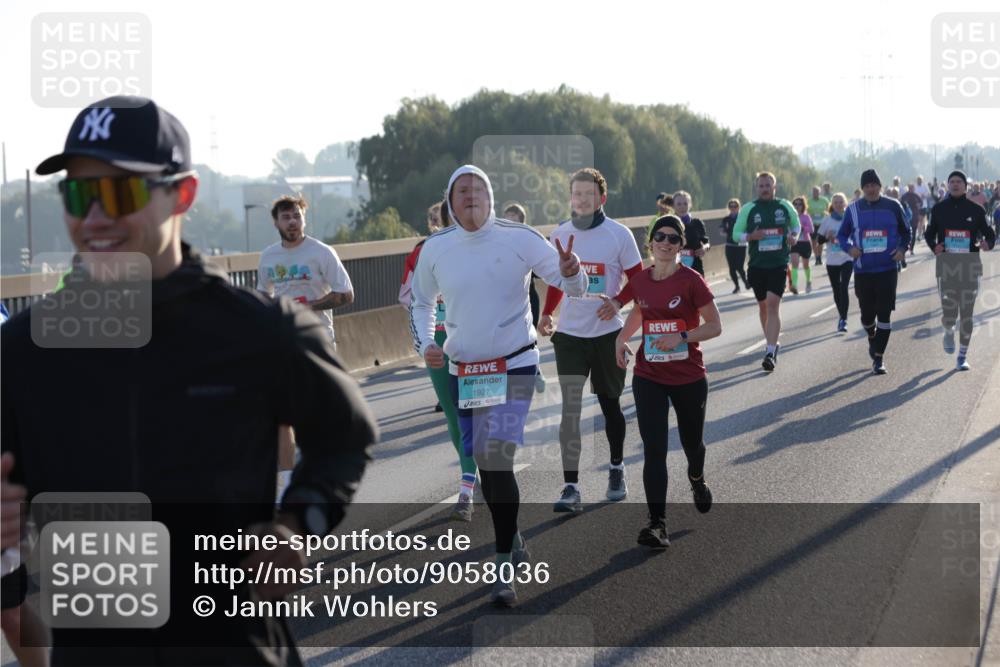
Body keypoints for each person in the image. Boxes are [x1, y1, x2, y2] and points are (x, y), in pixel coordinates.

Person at [0, 96, 378, 666]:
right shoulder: (23, 350)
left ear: (183, 195)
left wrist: (299, 524)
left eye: (120, 193)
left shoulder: (261, 331)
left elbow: (345, 436)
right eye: (79, 194)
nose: (95, 217)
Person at [409, 164, 587, 606]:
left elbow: (575, 286)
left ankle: (503, 564)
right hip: (465, 372)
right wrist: (428, 344)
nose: (471, 196)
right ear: (450, 202)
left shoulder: (519, 237)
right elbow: (420, 303)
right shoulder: (436, 248)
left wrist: (571, 271)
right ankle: (513, 538)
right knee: (487, 469)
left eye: (478, 189)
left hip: (514, 363)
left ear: (491, 196)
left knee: (497, 459)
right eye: (462, 190)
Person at [538, 168, 643, 512]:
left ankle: (616, 467)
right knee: (569, 410)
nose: (582, 199)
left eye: (588, 193)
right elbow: (556, 279)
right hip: (569, 336)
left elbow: (638, 282)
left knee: (610, 405)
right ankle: (571, 487)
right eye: (576, 193)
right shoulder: (560, 233)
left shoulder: (619, 235)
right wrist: (547, 312)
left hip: (607, 335)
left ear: (602, 198)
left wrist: (617, 302)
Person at [614, 215, 722, 548]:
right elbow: (639, 311)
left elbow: (715, 326)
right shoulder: (641, 281)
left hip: (689, 376)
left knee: (692, 444)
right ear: (650, 242)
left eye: (673, 239)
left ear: (681, 246)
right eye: (659, 236)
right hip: (649, 376)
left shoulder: (691, 281)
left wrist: (682, 336)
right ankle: (657, 524)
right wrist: (621, 339)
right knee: (654, 449)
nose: (665, 242)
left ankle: (696, 477)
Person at [257, 194, 356, 503]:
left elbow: (346, 293)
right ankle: (286, 485)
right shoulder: (269, 257)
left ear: (304, 219)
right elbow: (263, 296)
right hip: (283, 343)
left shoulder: (321, 252)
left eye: (296, 216)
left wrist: (311, 305)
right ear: (276, 222)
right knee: (283, 417)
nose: (292, 222)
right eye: (286, 217)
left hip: (319, 341)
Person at [399, 199, 478, 520]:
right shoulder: (424, 250)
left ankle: (473, 478)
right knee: (453, 411)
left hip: (476, 338)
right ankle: (468, 482)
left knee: (475, 411)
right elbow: (407, 296)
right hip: (441, 339)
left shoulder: (480, 246)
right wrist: (434, 299)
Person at [836, 169, 910, 374]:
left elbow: (906, 231)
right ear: (862, 188)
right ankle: (871, 335)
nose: (871, 189)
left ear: (880, 186)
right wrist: (850, 247)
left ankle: (879, 358)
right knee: (867, 316)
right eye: (867, 185)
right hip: (863, 271)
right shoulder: (853, 210)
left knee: (884, 313)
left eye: (874, 185)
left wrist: (902, 249)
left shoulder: (893, 206)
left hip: (887, 269)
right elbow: (842, 235)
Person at [925, 170, 996, 371]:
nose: (955, 184)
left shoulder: (977, 210)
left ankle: (962, 356)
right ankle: (948, 329)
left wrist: (987, 243)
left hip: (970, 266)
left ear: (965, 186)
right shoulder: (939, 209)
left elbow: (990, 234)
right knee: (949, 313)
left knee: (966, 313)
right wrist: (934, 246)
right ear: (947, 186)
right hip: (946, 267)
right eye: (952, 182)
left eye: (959, 182)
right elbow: (929, 234)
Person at [731, 172, 801, 372]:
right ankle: (772, 342)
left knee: (772, 306)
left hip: (778, 264)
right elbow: (736, 235)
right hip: (757, 266)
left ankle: (770, 351)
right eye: (761, 185)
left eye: (767, 185)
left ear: (774, 187)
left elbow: (796, 226)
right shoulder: (749, 209)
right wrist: (751, 236)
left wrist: (794, 236)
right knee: (763, 307)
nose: (764, 188)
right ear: (756, 188)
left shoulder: (785, 206)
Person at [504, 203, 548, 393]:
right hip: (504, 302)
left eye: (514, 219)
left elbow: (542, 270)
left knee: (528, 338)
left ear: (522, 223)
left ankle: (535, 369)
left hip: (528, 300)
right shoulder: (495, 243)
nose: (509, 223)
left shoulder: (529, 241)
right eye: (506, 219)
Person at [817, 193, 853, 333]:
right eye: (836, 202)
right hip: (832, 260)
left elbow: (857, 234)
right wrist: (827, 237)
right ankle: (841, 315)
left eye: (840, 202)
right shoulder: (827, 220)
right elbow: (819, 240)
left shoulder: (850, 219)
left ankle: (843, 319)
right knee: (836, 290)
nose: (838, 204)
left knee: (844, 287)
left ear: (845, 204)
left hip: (847, 258)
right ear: (832, 204)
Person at [671, 190, 710, 276]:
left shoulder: (697, 223)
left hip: (696, 267)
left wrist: (704, 248)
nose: (682, 207)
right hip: (675, 268)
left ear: (690, 205)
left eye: (685, 203)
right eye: (679, 204)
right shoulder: (670, 224)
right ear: (673, 206)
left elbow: (707, 243)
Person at [719, 198, 750, 293]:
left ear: (738, 207)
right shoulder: (726, 219)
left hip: (740, 245)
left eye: (735, 206)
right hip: (730, 245)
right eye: (731, 206)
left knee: (739, 266)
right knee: (732, 267)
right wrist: (725, 231)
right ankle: (737, 286)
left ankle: (746, 282)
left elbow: (748, 229)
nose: (733, 208)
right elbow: (721, 231)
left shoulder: (742, 218)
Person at [789, 196, 815, 294]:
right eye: (795, 204)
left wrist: (803, 228)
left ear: (803, 206)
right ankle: (794, 285)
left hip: (805, 242)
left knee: (806, 265)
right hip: (794, 243)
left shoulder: (806, 217)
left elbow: (812, 229)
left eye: (799, 204)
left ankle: (808, 282)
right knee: (794, 263)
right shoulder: (790, 217)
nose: (797, 206)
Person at [807, 186, 830, 266]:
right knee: (813, 242)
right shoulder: (808, 201)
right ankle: (816, 257)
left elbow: (829, 210)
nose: (815, 193)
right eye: (813, 192)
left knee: (820, 242)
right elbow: (805, 212)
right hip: (812, 224)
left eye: (817, 192)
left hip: (822, 224)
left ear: (819, 193)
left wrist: (826, 215)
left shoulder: (824, 200)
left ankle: (819, 257)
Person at [900, 184, 924, 255]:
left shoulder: (916, 195)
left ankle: (912, 249)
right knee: (905, 233)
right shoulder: (905, 196)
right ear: (908, 188)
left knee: (913, 233)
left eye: (912, 188)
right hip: (906, 217)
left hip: (915, 217)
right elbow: (900, 204)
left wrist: (919, 206)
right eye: (910, 188)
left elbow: (921, 202)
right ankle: (905, 247)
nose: (911, 189)